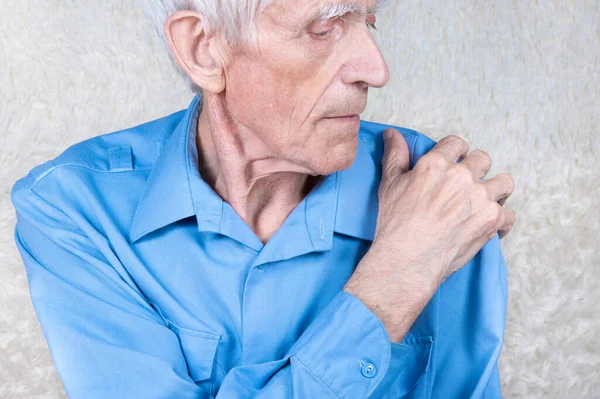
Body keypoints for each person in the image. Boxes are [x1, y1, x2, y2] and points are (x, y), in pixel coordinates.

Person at [11, 0, 516, 398]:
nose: (376, 70)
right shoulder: (74, 209)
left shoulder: (439, 191)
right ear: (203, 49)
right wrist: (390, 286)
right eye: (325, 25)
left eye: (370, 20)